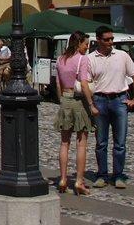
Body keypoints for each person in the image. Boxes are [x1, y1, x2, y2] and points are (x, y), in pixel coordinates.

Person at [88, 25, 134, 189]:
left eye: (112, 39)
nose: (110, 42)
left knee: (120, 142)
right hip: (100, 100)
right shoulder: (91, 58)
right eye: (107, 39)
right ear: (98, 40)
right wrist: (91, 104)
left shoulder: (122, 55)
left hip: (119, 100)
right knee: (101, 142)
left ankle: (118, 175)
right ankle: (102, 175)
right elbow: (87, 83)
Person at [54, 31, 99, 195]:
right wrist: (91, 104)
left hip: (65, 99)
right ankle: (79, 181)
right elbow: (85, 84)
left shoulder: (60, 59)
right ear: (78, 43)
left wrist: (62, 100)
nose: (87, 47)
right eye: (85, 44)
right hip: (79, 101)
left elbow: (58, 84)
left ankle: (63, 179)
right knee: (82, 142)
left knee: (64, 143)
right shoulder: (82, 59)